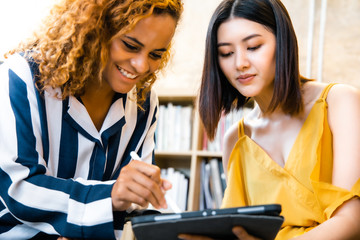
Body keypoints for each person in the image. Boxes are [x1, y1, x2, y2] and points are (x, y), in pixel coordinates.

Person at [0, 0, 183, 239]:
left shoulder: (144, 104)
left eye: (156, 54)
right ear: (95, 29)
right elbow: (17, 189)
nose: (141, 65)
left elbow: (133, 207)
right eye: (130, 45)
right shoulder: (22, 77)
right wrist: (111, 196)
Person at [178, 0, 360, 239]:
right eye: (226, 53)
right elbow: (239, 231)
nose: (240, 63)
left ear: (282, 41)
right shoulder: (236, 138)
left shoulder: (339, 101)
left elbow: (351, 220)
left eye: (253, 46)